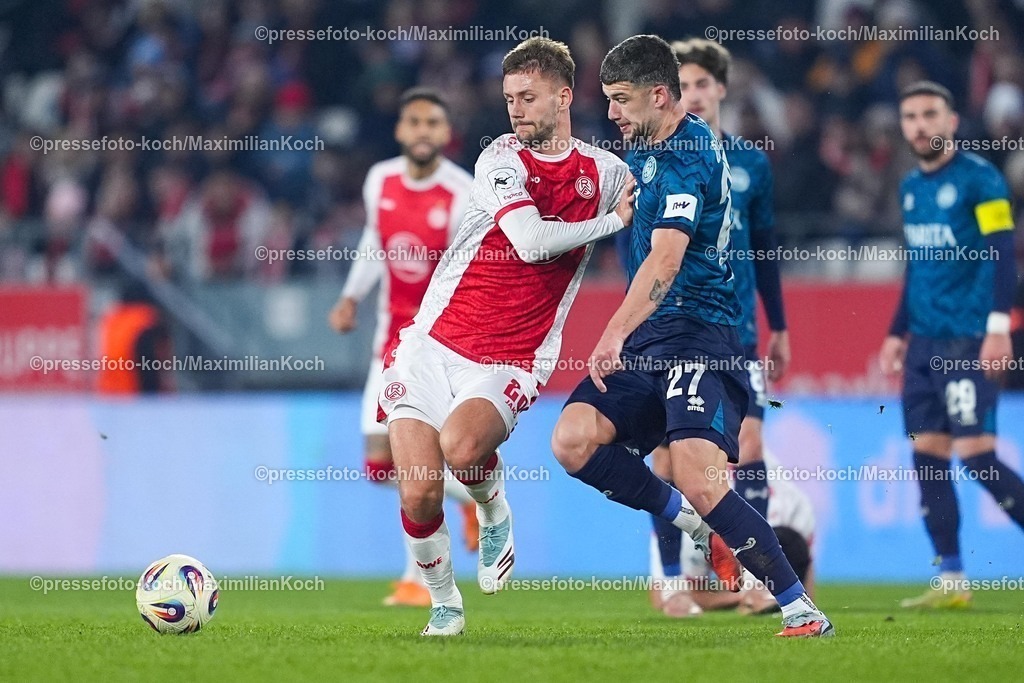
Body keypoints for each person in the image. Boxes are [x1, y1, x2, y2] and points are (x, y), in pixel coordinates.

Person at [550, 34, 833, 638]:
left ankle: (799, 607)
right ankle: (694, 527)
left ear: (659, 95)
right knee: (573, 439)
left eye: (621, 100)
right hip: (652, 338)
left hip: (698, 336)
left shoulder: (691, 156)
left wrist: (612, 331)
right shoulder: (649, 150)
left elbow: (666, 261)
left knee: (702, 476)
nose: (612, 113)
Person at [378, 37, 635, 636]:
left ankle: (493, 507)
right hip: (434, 342)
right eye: (509, 98)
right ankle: (444, 604)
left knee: (463, 450)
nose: (516, 109)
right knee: (418, 493)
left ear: (564, 96)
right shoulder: (501, 157)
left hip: (512, 355)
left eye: (528, 97)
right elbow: (531, 242)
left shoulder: (608, 171)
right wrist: (613, 221)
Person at [644, 37, 791, 617]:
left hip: (736, 331)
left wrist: (778, 324)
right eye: (683, 86)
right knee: (666, 460)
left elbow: (766, 248)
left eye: (702, 83)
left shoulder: (752, 163)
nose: (694, 95)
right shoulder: (659, 158)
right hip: (669, 329)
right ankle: (672, 580)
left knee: (749, 444)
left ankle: (757, 581)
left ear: (722, 88)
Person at [328, 88, 479, 608]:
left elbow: (471, 273)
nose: (421, 130)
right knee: (379, 467)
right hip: (385, 341)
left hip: (435, 348)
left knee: (412, 462)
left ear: (444, 133)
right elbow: (375, 243)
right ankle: (471, 502)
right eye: (413, 121)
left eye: (432, 122)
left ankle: (418, 580)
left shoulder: (462, 193)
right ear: (400, 130)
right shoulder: (380, 180)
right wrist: (351, 296)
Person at [880, 80, 1024, 608]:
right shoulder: (910, 187)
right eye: (910, 116)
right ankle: (953, 580)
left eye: (929, 114)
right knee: (928, 457)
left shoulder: (981, 181)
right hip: (923, 345)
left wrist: (997, 326)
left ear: (952, 121)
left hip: (969, 338)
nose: (920, 124)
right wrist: (898, 331)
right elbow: (918, 268)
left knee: (978, 455)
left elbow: (1004, 256)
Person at [650, 451, 815, 617]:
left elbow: (808, 594)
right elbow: (662, 598)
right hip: (701, 474)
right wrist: (740, 597)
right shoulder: (692, 527)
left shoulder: (798, 514)